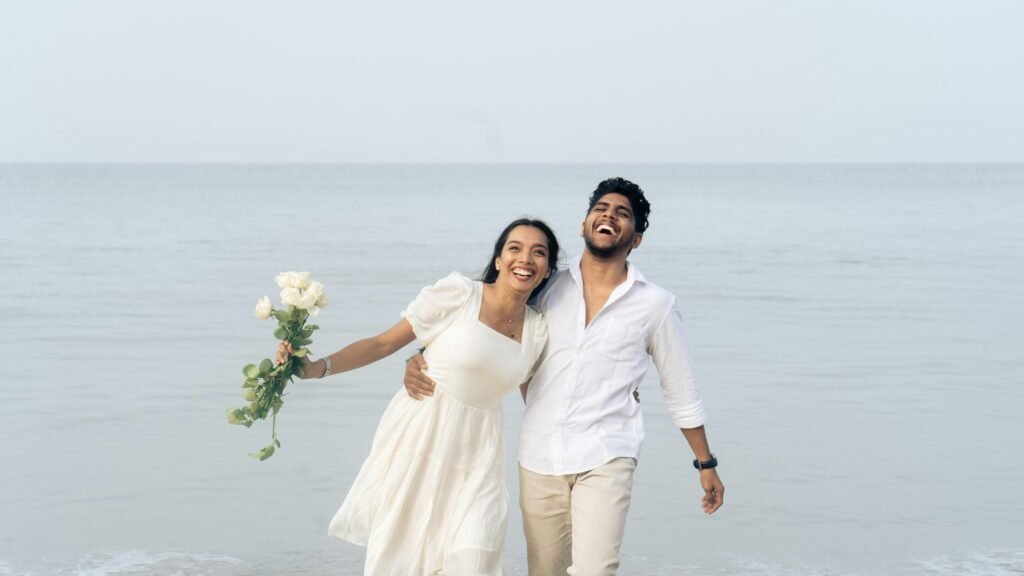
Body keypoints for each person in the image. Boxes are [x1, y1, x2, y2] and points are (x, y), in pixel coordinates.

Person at [404, 178, 725, 576]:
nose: (609, 215)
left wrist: (704, 462)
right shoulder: (545, 284)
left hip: (608, 452)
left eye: (622, 214)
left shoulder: (655, 305)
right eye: (601, 209)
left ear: (635, 239)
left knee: (596, 569)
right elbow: (487, 322)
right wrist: (421, 356)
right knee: (546, 571)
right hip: (540, 454)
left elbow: (681, 389)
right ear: (584, 224)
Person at [278, 218, 561, 576]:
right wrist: (317, 368)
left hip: (480, 460)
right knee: (401, 563)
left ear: (548, 269)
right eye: (515, 248)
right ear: (500, 259)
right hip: (423, 440)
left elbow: (542, 397)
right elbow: (384, 343)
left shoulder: (538, 329)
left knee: (474, 562)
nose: (526, 259)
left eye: (539, 252)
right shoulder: (461, 294)